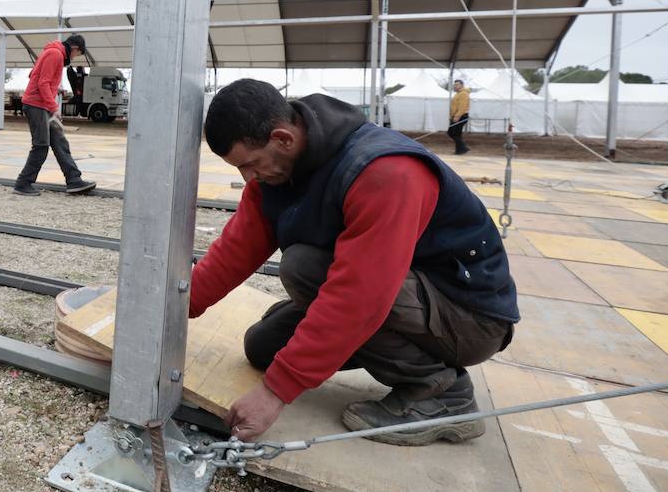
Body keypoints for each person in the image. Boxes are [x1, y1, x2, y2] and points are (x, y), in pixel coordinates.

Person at [191, 79, 517, 446]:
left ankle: (443, 393)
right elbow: (233, 252)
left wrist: (275, 393)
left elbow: (360, 297)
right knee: (263, 347)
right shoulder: (279, 171)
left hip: (469, 317)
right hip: (404, 298)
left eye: (250, 164)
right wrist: (173, 308)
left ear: (283, 138)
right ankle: (337, 329)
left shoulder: (385, 171)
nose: (248, 178)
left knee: (303, 268)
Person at [12, 34, 96, 196]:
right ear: (75, 48)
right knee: (41, 145)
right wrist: (54, 107)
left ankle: (74, 180)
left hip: (41, 104)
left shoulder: (51, 52)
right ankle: (22, 184)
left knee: (60, 143)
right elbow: (42, 82)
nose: (75, 57)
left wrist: (54, 89)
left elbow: (34, 75)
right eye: (77, 54)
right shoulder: (56, 54)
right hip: (36, 105)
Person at [448, 79, 471, 155]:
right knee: (456, 134)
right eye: (454, 85)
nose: (455, 86)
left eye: (457, 84)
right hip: (456, 116)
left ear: (462, 85)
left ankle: (464, 147)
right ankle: (459, 150)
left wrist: (457, 116)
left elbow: (462, 107)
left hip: (461, 116)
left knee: (452, 133)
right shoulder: (458, 94)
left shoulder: (463, 94)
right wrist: (452, 116)